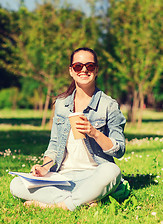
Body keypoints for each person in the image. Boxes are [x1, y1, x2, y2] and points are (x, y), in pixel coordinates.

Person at [10, 47, 127, 211]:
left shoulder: (109, 105)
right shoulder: (61, 104)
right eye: (78, 66)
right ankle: (83, 199)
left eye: (90, 66)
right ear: (71, 71)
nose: (84, 70)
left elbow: (119, 150)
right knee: (16, 184)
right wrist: (44, 168)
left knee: (112, 171)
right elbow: (54, 143)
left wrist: (94, 133)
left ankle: (59, 205)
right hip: (63, 177)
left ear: (96, 70)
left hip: (94, 174)